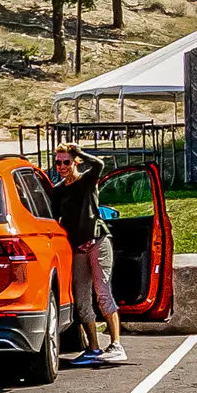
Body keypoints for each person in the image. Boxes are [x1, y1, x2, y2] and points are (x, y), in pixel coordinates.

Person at [47, 143, 127, 366]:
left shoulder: (87, 180)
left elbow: (100, 164)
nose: (61, 166)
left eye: (66, 162)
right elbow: (55, 219)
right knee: (82, 299)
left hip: (98, 241)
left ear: (75, 162)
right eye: (58, 162)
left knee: (102, 292)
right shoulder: (59, 191)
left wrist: (77, 151)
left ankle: (116, 345)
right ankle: (93, 347)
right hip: (77, 247)